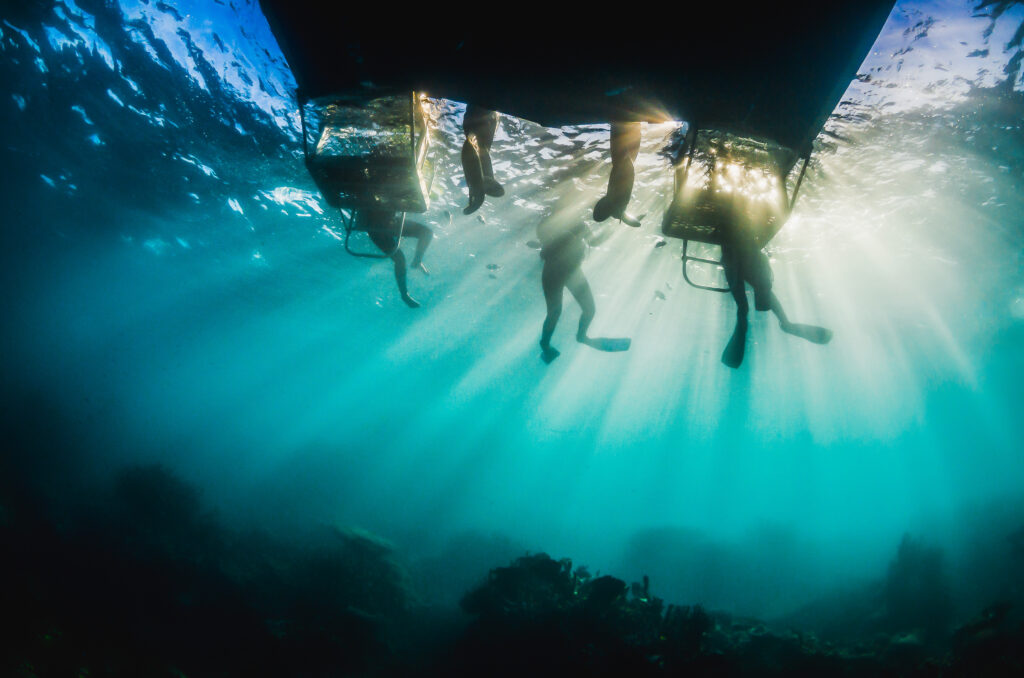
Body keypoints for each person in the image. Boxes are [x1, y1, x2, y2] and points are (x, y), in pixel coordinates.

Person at [717, 157, 832, 368]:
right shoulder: (745, 207)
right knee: (763, 292)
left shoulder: (728, 208)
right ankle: (786, 324)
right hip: (751, 258)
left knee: (744, 306)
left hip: (735, 259)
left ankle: (755, 324)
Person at [537, 215, 630, 363]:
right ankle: (558, 342)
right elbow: (544, 239)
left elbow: (594, 241)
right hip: (555, 271)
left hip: (568, 271)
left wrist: (613, 227)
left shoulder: (577, 225)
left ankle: (577, 338)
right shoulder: (563, 226)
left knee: (578, 311)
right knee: (558, 312)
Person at [359, 210, 432, 308]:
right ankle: (404, 294)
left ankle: (417, 262)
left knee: (401, 258)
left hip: (386, 223)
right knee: (400, 258)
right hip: (378, 226)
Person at [593, 121, 644, 227]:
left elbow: (636, 224)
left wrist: (622, 216)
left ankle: (623, 120)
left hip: (624, 163)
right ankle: (622, 119)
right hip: (624, 163)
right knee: (623, 129)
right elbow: (635, 223)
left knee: (626, 129)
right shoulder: (617, 211)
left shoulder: (617, 211)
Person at [461, 105, 504, 215]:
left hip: (481, 119)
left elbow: (470, 146)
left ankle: (480, 188)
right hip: (483, 119)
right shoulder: (479, 146)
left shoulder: (476, 142)